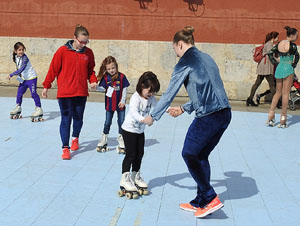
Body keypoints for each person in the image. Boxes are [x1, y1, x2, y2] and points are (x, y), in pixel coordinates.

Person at [143, 26, 231, 218]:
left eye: (175, 49)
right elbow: (210, 89)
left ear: (180, 44)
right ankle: (201, 200)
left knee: (189, 153)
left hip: (209, 116)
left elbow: (169, 93)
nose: (176, 54)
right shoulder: (207, 58)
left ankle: (209, 196)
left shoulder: (185, 62)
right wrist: (184, 108)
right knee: (200, 156)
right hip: (224, 114)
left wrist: (153, 116)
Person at [42, 24, 98, 160]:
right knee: (66, 119)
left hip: (81, 92)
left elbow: (91, 71)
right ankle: (65, 148)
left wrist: (93, 80)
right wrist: (46, 86)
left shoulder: (88, 53)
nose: (84, 44)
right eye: (81, 42)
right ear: (74, 38)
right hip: (65, 93)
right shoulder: (62, 51)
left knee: (78, 119)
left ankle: (75, 138)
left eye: (86, 42)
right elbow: (53, 69)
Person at [119, 71, 160, 198]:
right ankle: (125, 179)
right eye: (149, 91)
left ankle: (135, 176)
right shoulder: (135, 97)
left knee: (140, 154)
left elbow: (158, 107)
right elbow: (133, 113)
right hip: (129, 130)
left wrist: (170, 109)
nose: (151, 94)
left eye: (153, 92)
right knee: (130, 155)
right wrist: (144, 120)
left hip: (139, 131)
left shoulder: (151, 98)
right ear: (142, 86)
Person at [266, 26, 299, 127]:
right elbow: (297, 57)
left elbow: (270, 53)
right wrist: (292, 65)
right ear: (292, 35)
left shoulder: (279, 44)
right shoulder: (293, 46)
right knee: (285, 94)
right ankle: (283, 118)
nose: (297, 38)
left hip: (279, 68)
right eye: (297, 36)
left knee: (277, 93)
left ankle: (271, 115)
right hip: (288, 68)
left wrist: (275, 62)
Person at [96, 56, 130, 153]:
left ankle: (122, 139)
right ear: (106, 69)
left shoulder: (122, 77)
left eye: (113, 68)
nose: (111, 70)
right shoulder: (105, 78)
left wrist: (123, 100)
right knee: (107, 122)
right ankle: (104, 139)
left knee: (121, 122)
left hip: (120, 105)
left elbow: (124, 88)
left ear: (116, 67)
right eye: (109, 69)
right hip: (109, 105)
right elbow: (102, 89)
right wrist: (96, 88)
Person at [7, 42, 43, 121]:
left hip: (31, 78)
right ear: (15, 51)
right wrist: (20, 77)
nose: (21, 51)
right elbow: (18, 68)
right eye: (19, 50)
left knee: (33, 94)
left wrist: (12, 74)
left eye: (22, 50)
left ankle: (39, 109)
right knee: (19, 93)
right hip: (24, 79)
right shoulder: (16, 57)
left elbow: (21, 68)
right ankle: (18, 107)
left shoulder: (25, 58)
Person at [246, 31, 279, 106]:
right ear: (273, 38)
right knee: (272, 85)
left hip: (262, 67)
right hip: (266, 68)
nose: (277, 39)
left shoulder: (267, 44)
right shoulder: (269, 45)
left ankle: (250, 99)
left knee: (257, 84)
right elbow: (272, 56)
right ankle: (277, 102)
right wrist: (279, 61)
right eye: (277, 37)